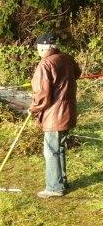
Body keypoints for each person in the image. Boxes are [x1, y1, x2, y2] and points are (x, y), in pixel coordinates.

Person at [29, 33, 81, 198]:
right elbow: (77, 73)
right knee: (59, 148)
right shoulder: (67, 58)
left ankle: (54, 188)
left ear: (42, 48)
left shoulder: (45, 64)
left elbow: (42, 95)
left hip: (54, 115)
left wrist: (33, 108)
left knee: (51, 151)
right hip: (68, 111)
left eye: (38, 48)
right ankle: (61, 182)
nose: (38, 51)